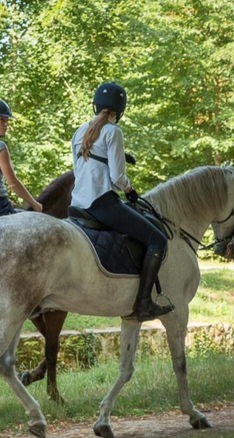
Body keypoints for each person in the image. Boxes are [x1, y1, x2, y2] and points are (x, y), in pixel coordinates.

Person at [71, 82, 174, 322]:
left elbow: (79, 171)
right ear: (121, 109)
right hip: (101, 204)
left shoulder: (78, 131)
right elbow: (117, 178)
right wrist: (129, 188)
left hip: (77, 205)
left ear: (95, 105)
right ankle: (145, 303)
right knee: (157, 240)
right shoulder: (113, 131)